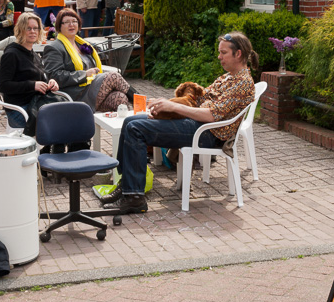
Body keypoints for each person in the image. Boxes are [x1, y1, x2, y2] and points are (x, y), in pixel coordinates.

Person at [102, 32, 258, 214]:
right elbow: (199, 99)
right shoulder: (228, 77)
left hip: (206, 133)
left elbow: (211, 116)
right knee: (129, 121)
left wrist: (174, 107)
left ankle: (134, 198)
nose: (219, 57)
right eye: (219, 52)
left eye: (223, 53)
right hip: (196, 125)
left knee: (136, 129)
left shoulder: (242, 83)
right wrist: (165, 105)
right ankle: (126, 185)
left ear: (238, 54)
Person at [42, 8, 134, 113]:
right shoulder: (54, 47)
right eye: (66, 22)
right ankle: (140, 101)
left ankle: (131, 121)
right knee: (113, 76)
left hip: (92, 88)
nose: (71, 25)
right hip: (76, 94)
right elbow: (55, 76)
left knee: (120, 98)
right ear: (59, 26)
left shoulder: (81, 44)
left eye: (74, 21)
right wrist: (84, 74)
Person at [0, 13, 59, 130]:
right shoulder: (11, 54)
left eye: (36, 28)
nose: (33, 32)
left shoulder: (33, 54)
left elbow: (40, 77)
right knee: (60, 120)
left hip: (36, 104)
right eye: (28, 28)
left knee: (67, 113)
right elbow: (3, 86)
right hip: (20, 109)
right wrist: (33, 85)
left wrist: (50, 82)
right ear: (20, 30)